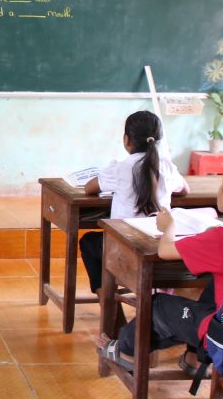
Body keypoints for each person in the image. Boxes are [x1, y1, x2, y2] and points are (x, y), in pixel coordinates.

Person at [98, 160, 223, 372]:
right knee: (217, 286)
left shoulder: (222, 239)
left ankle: (127, 351)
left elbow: (165, 250)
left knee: (159, 308)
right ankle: (195, 358)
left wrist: (169, 227)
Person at [81, 111, 189, 292]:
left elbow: (89, 188)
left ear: (126, 140)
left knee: (88, 242)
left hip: (126, 254)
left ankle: (108, 304)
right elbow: (185, 190)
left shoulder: (120, 168)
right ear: (157, 141)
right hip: (161, 251)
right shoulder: (166, 167)